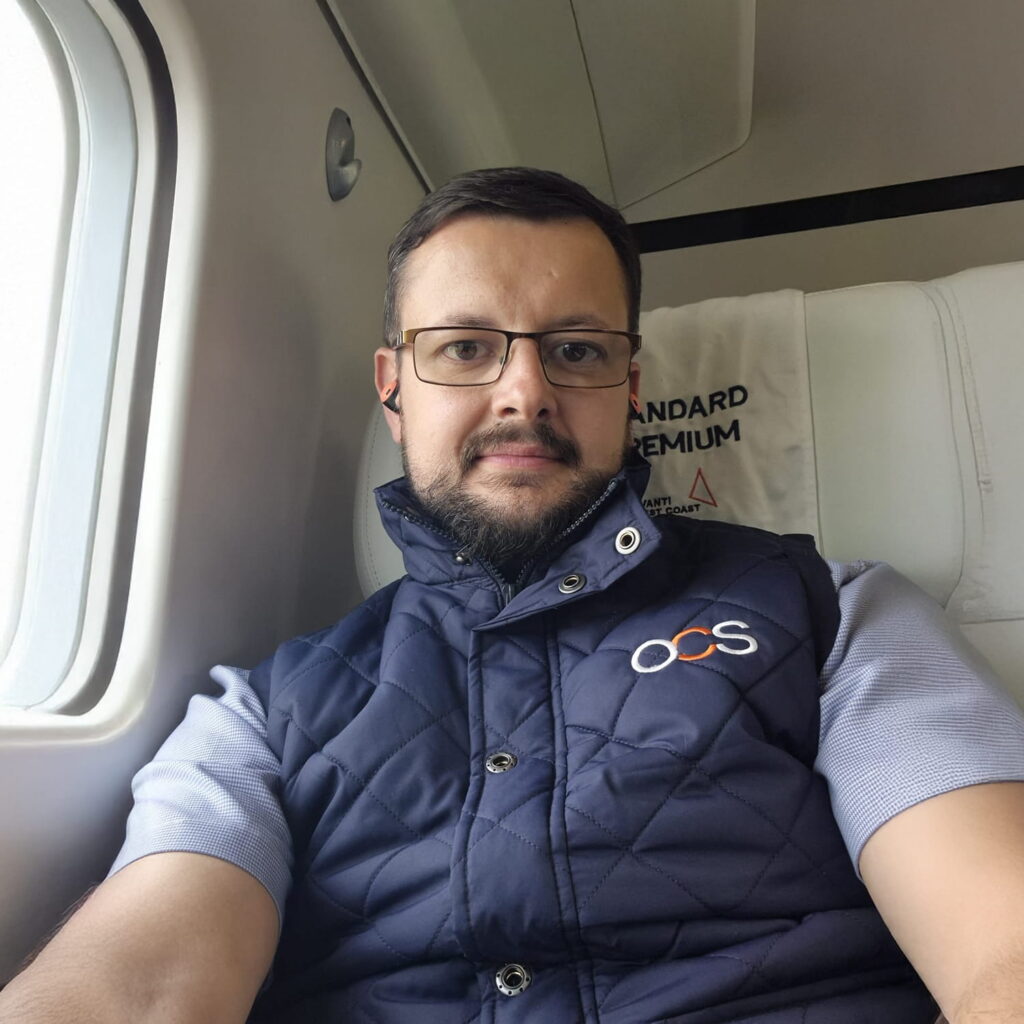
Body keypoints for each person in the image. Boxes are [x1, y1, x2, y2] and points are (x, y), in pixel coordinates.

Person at [3, 167, 1024, 1023]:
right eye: (462, 348)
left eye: (575, 349)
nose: (524, 390)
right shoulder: (261, 717)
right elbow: (137, 983)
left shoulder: (831, 616)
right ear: (392, 389)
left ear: (630, 390)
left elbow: (1001, 945)